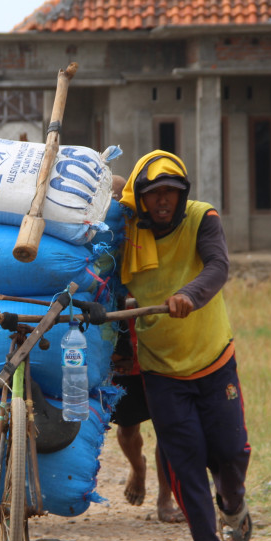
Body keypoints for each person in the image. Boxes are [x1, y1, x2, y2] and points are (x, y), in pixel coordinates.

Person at [116, 150, 253, 541]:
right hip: (161, 370)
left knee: (231, 452)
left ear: (183, 195)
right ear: (140, 197)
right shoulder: (126, 231)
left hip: (214, 359)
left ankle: (232, 504)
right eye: (153, 194)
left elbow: (218, 265)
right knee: (185, 459)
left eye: (170, 193)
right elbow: (106, 280)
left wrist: (189, 295)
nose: (163, 201)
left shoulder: (201, 218)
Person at [109, 174, 184, 523]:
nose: (115, 208)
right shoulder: (95, 237)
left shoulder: (151, 231)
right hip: (119, 346)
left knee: (167, 426)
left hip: (157, 339)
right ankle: (137, 468)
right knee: (127, 426)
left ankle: (165, 498)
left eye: (119, 200)